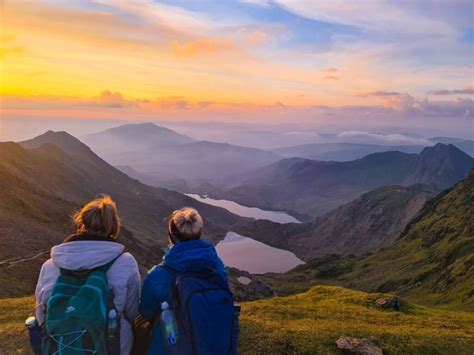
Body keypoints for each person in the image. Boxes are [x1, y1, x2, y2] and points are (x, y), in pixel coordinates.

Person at [35, 195, 141, 355]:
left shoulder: (50, 265)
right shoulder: (125, 262)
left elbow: (41, 310)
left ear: (81, 223)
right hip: (112, 345)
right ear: (113, 226)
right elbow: (132, 311)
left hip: (60, 345)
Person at [138, 207, 237, 355]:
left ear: (171, 236)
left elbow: (146, 311)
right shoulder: (217, 267)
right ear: (199, 232)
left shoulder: (159, 275)